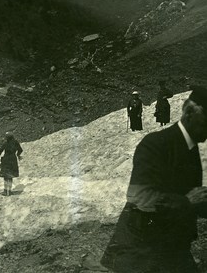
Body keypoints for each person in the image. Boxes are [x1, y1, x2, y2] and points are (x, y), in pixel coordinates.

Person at [83, 86, 207, 272]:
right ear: (189, 112)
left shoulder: (190, 147)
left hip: (172, 246)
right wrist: (187, 202)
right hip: (140, 251)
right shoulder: (155, 144)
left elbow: (189, 196)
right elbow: (140, 197)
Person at [0, 132, 23, 196]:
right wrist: (18, 155)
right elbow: (20, 150)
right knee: (10, 176)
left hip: (6, 159)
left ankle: (5, 190)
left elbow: (0, 151)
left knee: (6, 176)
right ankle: (9, 190)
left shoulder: (6, 143)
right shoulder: (16, 142)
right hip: (13, 159)